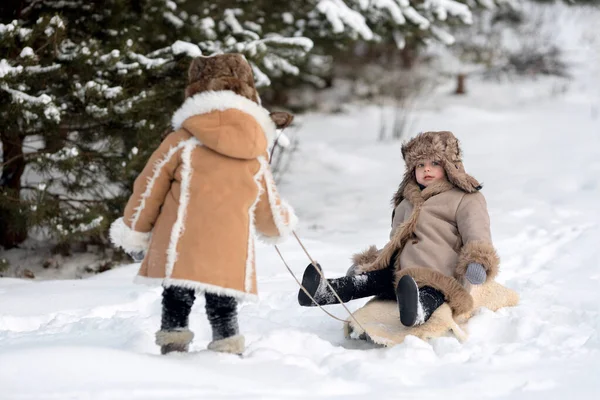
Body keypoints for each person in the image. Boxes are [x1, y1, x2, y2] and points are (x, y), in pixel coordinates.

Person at [110, 54, 297, 355]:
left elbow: (149, 188)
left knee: (176, 296)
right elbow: (268, 205)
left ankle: (172, 343)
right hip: (230, 247)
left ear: (195, 91)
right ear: (248, 93)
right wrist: (281, 224)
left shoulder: (181, 140)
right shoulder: (255, 148)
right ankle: (226, 347)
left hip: (180, 242)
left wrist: (135, 229)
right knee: (223, 302)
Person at [298, 131, 499, 327]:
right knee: (371, 281)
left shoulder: (465, 198)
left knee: (432, 293)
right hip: (401, 273)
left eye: (434, 163)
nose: (426, 169)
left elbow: (477, 231)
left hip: (441, 273)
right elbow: (396, 242)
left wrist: (478, 261)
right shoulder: (407, 202)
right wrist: (372, 264)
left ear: (450, 166)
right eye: (420, 165)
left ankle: (416, 309)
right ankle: (323, 291)